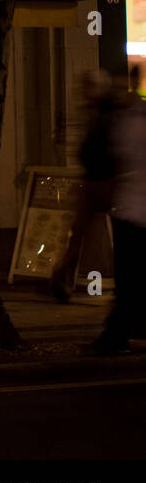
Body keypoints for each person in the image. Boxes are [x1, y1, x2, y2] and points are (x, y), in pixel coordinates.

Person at [91, 70, 146, 355]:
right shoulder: (126, 118)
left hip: (132, 209)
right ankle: (120, 330)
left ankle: (117, 332)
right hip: (129, 208)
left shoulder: (123, 120)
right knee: (130, 276)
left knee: (129, 275)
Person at [52, 70, 116, 302]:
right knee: (78, 234)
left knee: (82, 234)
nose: (80, 93)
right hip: (95, 181)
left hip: (105, 182)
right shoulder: (96, 112)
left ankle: (62, 279)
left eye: (85, 88)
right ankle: (61, 279)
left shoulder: (106, 113)